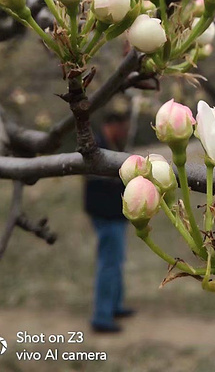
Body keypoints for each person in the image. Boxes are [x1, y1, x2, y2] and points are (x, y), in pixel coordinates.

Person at [84, 111, 135, 333]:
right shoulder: (97, 146)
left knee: (116, 261)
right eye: (122, 126)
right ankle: (102, 316)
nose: (124, 131)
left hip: (116, 214)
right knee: (109, 263)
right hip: (106, 214)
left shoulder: (113, 145)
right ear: (111, 124)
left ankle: (114, 306)